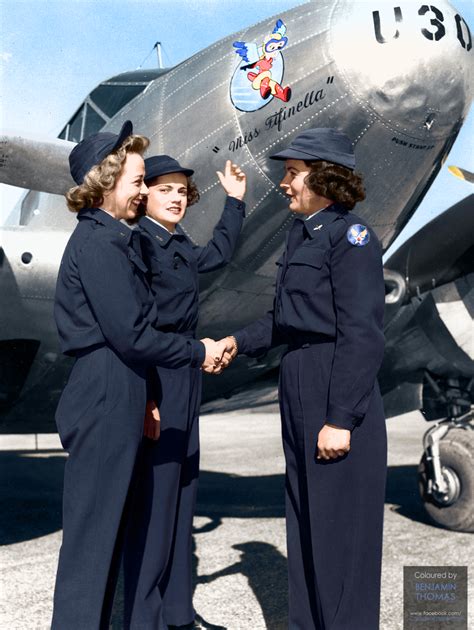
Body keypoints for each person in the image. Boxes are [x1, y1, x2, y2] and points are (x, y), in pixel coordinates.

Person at [52, 122, 223, 630]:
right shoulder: (101, 244)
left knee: (104, 537)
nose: (145, 191)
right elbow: (132, 336)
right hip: (105, 387)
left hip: (121, 386)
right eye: (139, 181)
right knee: (91, 544)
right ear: (105, 183)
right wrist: (198, 351)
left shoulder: (114, 239)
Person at [215, 128, 387, 630]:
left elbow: (361, 334)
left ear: (324, 178)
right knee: (307, 526)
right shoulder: (302, 234)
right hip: (298, 380)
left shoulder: (352, 238)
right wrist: (235, 342)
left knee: (340, 538)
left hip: (335, 383)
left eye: (293, 174)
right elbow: (285, 319)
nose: (285, 184)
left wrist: (340, 418)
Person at [124, 155, 246, 630]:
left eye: (181, 191)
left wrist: (235, 202)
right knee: (155, 507)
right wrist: (149, 397)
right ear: (144, 195)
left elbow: (215, 255)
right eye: (165, 189)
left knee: (181, 498)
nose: (176, 198)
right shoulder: (139, 245)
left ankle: (177, 614)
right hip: (159, 377)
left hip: (185, 378)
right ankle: (144, 619)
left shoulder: (174, 242)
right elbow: (137, 328)